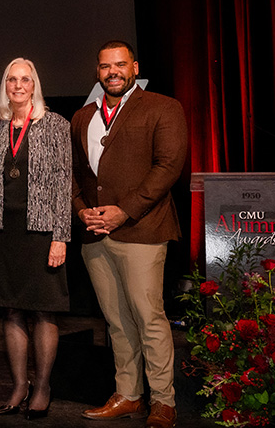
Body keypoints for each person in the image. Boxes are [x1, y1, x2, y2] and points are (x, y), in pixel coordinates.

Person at [72, 40, 187, 428]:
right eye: (105, 66)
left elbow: (168, 167)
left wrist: (124, 211)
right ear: (97, 71)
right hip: (95, 235)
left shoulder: (163, 107)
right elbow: (72, 175)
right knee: (116, 321)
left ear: (135, 68)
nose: (113, 72)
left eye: (120, 65)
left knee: (148, 317)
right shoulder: (83, 116)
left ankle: (164, 401)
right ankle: (128, 394)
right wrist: (81, 211)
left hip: (142, 230)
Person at [0, 57, 71, 420]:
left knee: (44, 309)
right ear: (5, 86)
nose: (18, 85)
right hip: (4, 231)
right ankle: (19, 385)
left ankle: (43, 386)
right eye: (11, 80)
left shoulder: (55, 125)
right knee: (11, 309)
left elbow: (64, 185)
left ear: (35, 85)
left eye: (25, 80)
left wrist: (61, 236)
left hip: (42, 230)